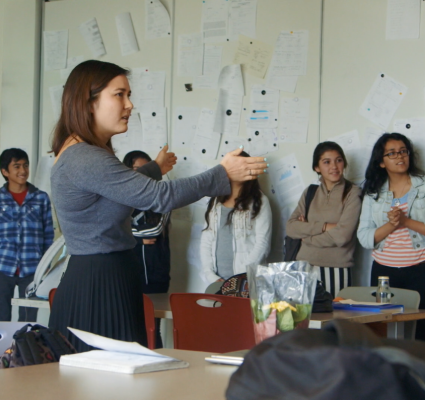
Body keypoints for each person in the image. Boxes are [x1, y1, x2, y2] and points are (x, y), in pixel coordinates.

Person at [48, 60, 267, 351]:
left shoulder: (83, 153)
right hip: (98, 286)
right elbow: (159, 197)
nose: (129, 104)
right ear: (88, 102)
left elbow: (115, 189)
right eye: (119, 94)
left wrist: (154, 168)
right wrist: (221, 173)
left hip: (104, 277)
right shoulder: (86, 157)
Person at [357, 133, 425, 343]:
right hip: (384, 273)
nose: (399, 157)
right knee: (383, 336)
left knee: (421, 335)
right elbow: (364, 238)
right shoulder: (373, 193)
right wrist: (391, 225)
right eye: (392, 153)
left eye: (403, 151)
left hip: (423, 271)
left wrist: (405, 221)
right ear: (381, 162)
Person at [286, 142, 362, 297]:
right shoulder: (310, 192)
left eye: (338, 160)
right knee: (302, 319)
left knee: (334, 320)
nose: (334, 166)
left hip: (337, 268)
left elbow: (342, 235)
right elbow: (291, 228)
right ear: (317, 168)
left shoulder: (353, 193)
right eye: (327, 162)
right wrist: (325, 226)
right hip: (303, 267)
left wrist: (306, 236)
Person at [200, 151, 272, 290]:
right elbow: (206, 239)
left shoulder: (259, 201)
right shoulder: (215, 200)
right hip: (217, 281)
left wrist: (239, 278)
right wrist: (210, 275)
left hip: (246, 282)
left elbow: (263, 244)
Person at [0, 148, 53, 322]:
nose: (23, 171)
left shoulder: (41, 198)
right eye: (16, 166)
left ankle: (24, 349)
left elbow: (48, 234)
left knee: (28, 320)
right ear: (5, 171)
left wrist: (45, 266)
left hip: (32, 269)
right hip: (3, 268)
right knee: (2, 319)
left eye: (25, 165)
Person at [123, 150, 171, 295]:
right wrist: (138, 239)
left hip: (156, 275)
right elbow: (110, 228)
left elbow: (154, 230)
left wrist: (128, 235)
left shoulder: (163, 196)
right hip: (127, 273)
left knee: (152, 316)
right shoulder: (121, 199)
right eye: (138, 171)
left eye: (148, 170)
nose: (144, 176)